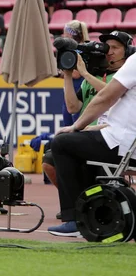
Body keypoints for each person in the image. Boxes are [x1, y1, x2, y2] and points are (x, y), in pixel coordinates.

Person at [50, 42, 136, 237]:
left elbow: (106, 97)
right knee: (78, 146)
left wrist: (76, 126)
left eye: (115, 48)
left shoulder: (134, 62)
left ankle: (73, 220)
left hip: (122, 144)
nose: (109, 52)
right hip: (124, 141)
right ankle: (87, 213)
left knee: (62, 143)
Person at [41, 21, 90, 190]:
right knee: (68, 130)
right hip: (68, 95)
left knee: (76, 133)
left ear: (72, 34)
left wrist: (61, 71)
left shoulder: (80, 50)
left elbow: (75, 73)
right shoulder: (69, 50)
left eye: (65, 33)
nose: (63, 36)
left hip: (77, 95)